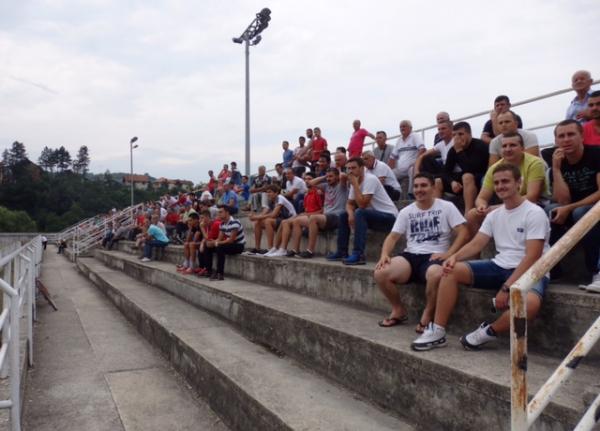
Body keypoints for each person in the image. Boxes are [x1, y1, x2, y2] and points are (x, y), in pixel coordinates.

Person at [411, 163, 550, 351]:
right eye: (497, 182)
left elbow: (532, 256)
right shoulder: (494, 215)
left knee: (529, 304)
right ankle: (438, 330)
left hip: (531, 270)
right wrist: (454, 257)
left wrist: (507, 288)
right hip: (499, 265)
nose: (500, 186)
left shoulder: (534, 212)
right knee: (450, 270)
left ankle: (488, 331)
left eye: (505, 181)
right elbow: (477, 243)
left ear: (519, 183)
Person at [374, 173, 468, 331]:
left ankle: (428, 313)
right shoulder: (406, 211)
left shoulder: (446, 207)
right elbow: (392, 237)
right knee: (380, 273)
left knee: (435, 273)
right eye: (416, 186)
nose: (419, 189)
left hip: (435, 256)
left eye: (423, 185)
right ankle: (398, 310)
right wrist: (384, 254)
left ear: (433, 187)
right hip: (411, 256)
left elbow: (463, 232)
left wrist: (450, 253)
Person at [546, 120, 600, 289]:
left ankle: (595, 270)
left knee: (581, 213)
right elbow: (562, 201)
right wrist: (555, 169)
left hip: (595, 207)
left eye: (571, 134)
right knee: (548, 211)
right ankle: (552, 270)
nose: (566, 139)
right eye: (561, 136)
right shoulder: (556, 160)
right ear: (556, 141)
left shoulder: (596, 154)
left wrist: (569, 208)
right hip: (573, 207)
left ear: (582, 136)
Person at [466, 132, 547, 238]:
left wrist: (498, 208)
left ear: (522, 148)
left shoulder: (535, 163)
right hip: (507, 205)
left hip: (534, 205)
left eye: (512, 145)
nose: (508, 149)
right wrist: (482, 206)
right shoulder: (495, 168)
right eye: (504, 146)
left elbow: (532, 196)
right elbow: (481, 198)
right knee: (472, 214)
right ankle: (476, 253)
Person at [327, 157, 398, 265]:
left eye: (353, 168)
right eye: (348, 168)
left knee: (360, 212)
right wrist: (350, 215)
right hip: (373, 217)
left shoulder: (370, 179)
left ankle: (358, 254)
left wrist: (355, 184)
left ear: (362, 168)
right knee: (343, 215)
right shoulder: (354, 181)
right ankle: (342, 251)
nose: (350, 171)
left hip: (389, 218)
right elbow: (349, 203)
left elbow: (362, 204)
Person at [264, 172, 323, 257]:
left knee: (287, 221)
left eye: (309, 179)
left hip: (314, 217)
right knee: (284, 222)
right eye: (305, 179)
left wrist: (305, 214)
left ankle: (283, 249)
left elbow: (322, 211)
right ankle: (276, 248)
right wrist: (303, 214)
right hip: (306, 215)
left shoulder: (318, 192)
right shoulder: (306, 194)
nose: (307, 181)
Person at [293, 168, 348, 258]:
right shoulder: (326, 186)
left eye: (331, 176)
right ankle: (295, 250)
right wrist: (325, 176)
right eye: (327, 176)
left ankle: (310, 251)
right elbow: (310, 183)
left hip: (336, 216)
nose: (328, 179)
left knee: (314, 218)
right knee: (297, 221)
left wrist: (337, 173)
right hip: (325, 217)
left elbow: (344, 176)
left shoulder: (342, 186)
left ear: (337, 177)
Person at [441, 122, 489, 213]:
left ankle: (468, 214)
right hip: (464, 179)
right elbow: (445, 172)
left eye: (461, 134)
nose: (457, 137)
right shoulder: (453, 149)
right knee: (438, 181)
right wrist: (452, 182)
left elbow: (471, 169)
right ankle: (438, 213)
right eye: (454, 135)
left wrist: (459, 150)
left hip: (480, 177)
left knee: (467, 176)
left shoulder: (480, 145)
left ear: (469, 134)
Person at [249, 184, 297, 254]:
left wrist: (256, 217)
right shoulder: (270, 200)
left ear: (276, 193)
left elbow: (273, 215)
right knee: (258, 222)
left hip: (290, 219)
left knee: (268, 221)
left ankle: (270, 248)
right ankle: (257, 248)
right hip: (281, 220)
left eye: (270, 192)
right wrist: (254, 217)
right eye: (267, 192)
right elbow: (264, 212)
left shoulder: (280, 198)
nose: (268, 194)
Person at [202, 206, 245, 281]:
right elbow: (219, 238)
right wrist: (213, 242)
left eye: (221, 212)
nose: (219, 214)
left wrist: (216, 243)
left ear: (227, 213)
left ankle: (220, 273)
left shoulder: (235, 222)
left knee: (220, 247)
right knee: (208, 246)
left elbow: (231, 240)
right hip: (228, 244)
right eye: (219, 212)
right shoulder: (222, 224)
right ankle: (208, 270)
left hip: (238, 245)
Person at [414, 120, 454, 195]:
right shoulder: (440, 144)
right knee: (425, 159)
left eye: (443, 129)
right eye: (439, 129)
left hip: (454, 173)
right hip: (445, 171)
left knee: (432, 179)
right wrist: (416, 172)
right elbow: (422, 156)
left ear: (451, 129)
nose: (440, 131)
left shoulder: (455, 142)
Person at [388, 120, 425, 198]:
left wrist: (416, 162)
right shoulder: (399, 140)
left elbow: (422, 149)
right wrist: (387, 170)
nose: (402, 128)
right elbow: (392, 158)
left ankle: (412, 194)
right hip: (400, 169)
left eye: (404, 126)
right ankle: (392, 195)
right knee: (388, 174)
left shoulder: (415, 136)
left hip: (412, 166)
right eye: (400, 127)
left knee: (412, 170)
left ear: (410, 128)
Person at [196, 209, 222, 276]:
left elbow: (208, 238)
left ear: (207, 217)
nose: (200, 220)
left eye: (202, 218)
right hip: (215, 242)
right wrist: (202, 242)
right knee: (204, 245)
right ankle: (205, 268)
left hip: (221, 243)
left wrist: (201, 228)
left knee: (206, 245)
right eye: (200, 218)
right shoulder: (207, 225)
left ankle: (208, 269)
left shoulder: (215, 224)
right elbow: (207, 238)